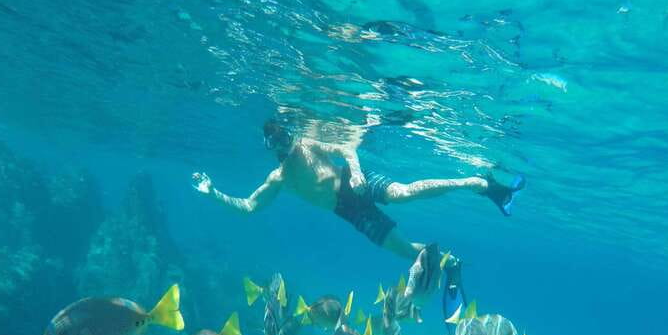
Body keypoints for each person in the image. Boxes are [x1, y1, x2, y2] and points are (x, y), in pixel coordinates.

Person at [191, 118, 524, 261]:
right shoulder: (278, 178)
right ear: (270, 146)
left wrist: (358, 173)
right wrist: (213, 192)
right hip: (345, 211)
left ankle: (475, 183)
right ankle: (448, 260)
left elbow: (347, 149)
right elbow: (250, 206)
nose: (285, 140)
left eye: (285, 134)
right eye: (277, 139)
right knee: (404, 251)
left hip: (354, 183)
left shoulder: (309, 142)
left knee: (402, 193)